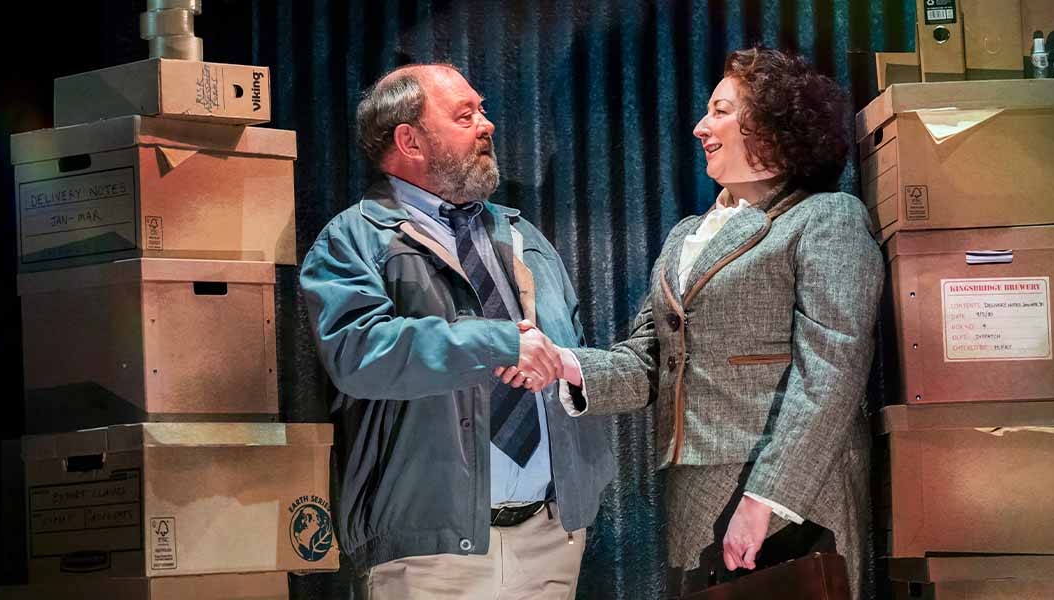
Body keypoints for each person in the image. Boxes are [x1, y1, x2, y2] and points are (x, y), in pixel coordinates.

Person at [514, 47, 883, 598]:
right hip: (693, 492)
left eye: (720, 111)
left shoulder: (824, 218)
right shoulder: (687, 236)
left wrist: (766, 499)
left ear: (773, 124)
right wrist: (561, 362)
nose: (699, 127)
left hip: (788, 494)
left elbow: (830, 373)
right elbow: (649, 364)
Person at [299, 63, 616, 600]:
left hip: (550, 539)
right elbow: (359, 353)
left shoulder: (524, 237)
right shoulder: (354, 239)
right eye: (465, 115)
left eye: (483, 110)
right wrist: (495, 342)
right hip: (432, 552)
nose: (487, 125)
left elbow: (571, 352)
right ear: (410, 140)